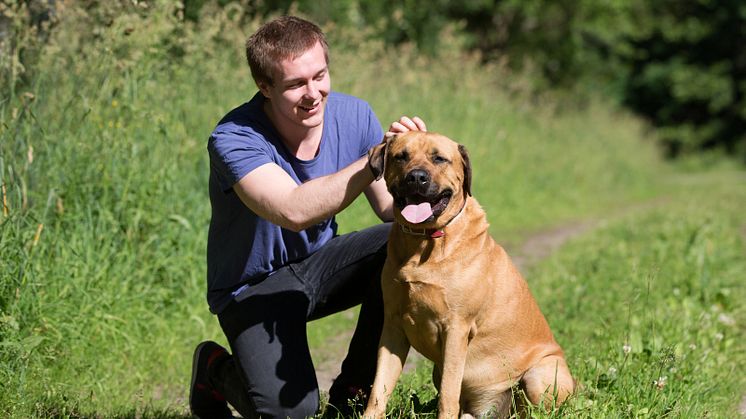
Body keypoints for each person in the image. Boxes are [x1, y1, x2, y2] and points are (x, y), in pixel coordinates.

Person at [189, 15, 426, 419]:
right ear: (264, 87)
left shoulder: (354, 114)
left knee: (401, 241)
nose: (314, 94)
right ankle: (215, 369)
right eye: (296, 84)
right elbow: (292, 210)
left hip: (319, 264)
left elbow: (390, 209)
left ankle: (354, 390)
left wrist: (412, 165)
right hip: (252, 288)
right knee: (291, 413)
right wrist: (373, 162)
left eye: (320, 76)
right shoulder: (233, 137)